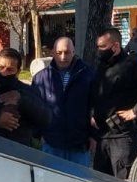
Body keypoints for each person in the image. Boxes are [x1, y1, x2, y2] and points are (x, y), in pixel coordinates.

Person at [91, 26, 137, 180]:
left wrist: (136, 110)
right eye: (98, 47)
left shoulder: (132, 65)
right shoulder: (101, 67)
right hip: (103, 136)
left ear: (115, 46)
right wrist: (93, 115)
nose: (99, 51)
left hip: (123, 137)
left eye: (103, 47)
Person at [32, 36, 95, 165]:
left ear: (73, 52)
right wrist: (38, 134)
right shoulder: (41, 78)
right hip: (51, 144)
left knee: (78, 177)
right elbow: (34, 108)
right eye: (59, 52)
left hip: (79, 144)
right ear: (52, 53)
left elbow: (95, 107)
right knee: (51, 177)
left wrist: (94, 135)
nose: (63, 57)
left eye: (67, 52)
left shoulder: (88, 75)